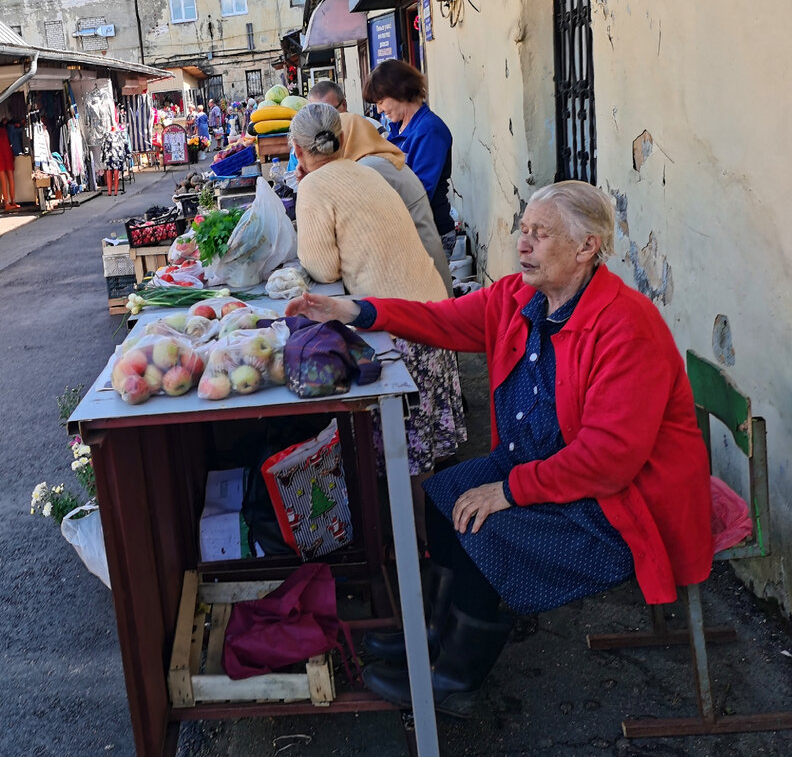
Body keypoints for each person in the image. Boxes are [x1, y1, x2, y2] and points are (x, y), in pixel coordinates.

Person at [286, 180, 712, 718]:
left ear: (587, 248)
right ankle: (440, 635)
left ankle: (457, 677)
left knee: (484, 522)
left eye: (541, 234)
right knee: (446, 497)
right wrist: (355, 311)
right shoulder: (520, 297)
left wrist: (509, 491)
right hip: (546, 468)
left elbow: (611, 459)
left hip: (625, 505)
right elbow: (442, 320)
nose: (523, 244)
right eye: (523, 230)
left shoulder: (626, 327)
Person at [290, 102, 466, 503]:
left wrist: (307, 190)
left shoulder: (315, 187)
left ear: (298, 150)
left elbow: (323, 267)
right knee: (426, 450)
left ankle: (418, 544)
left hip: (399, 326)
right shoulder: (364, 169)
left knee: (408, 452)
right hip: (435, 316)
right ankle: (430, 528)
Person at [306, 85, 451, 291]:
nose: (380, 109)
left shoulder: (370, 168)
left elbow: (327, 263)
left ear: (343, 140)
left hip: (417, 269)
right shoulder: (376, 160)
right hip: (419, 265)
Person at [363, 60, 457, 256]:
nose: (379, 110)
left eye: (381, 102)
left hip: (428, 233)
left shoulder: (429, 130)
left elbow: (419, 192)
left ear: (399, 91)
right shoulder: (398, 128)